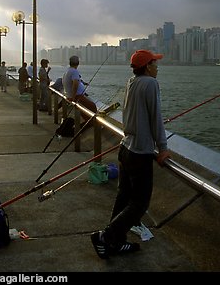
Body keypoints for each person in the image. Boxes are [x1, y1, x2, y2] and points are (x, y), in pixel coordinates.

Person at [90, 50, 171, 259]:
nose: (157, 67)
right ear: (146, 66)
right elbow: (156, 117)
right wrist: (162, 147)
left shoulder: (131, 81)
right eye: (154, 63)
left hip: (125, 148)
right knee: (140, 203)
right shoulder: (151, 84)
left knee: (124, 196)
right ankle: (107, 237)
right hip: (139, 152)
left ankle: (116, 241)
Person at [62, 55, 97, 122]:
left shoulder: (68, 71)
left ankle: (88, 120)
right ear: (78, 63)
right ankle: (91, 122)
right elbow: (75, 84)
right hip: (77, 96)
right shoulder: (74, 71)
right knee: (93, 106)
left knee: (88, 105)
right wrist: (74, 97)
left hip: (69, 95)